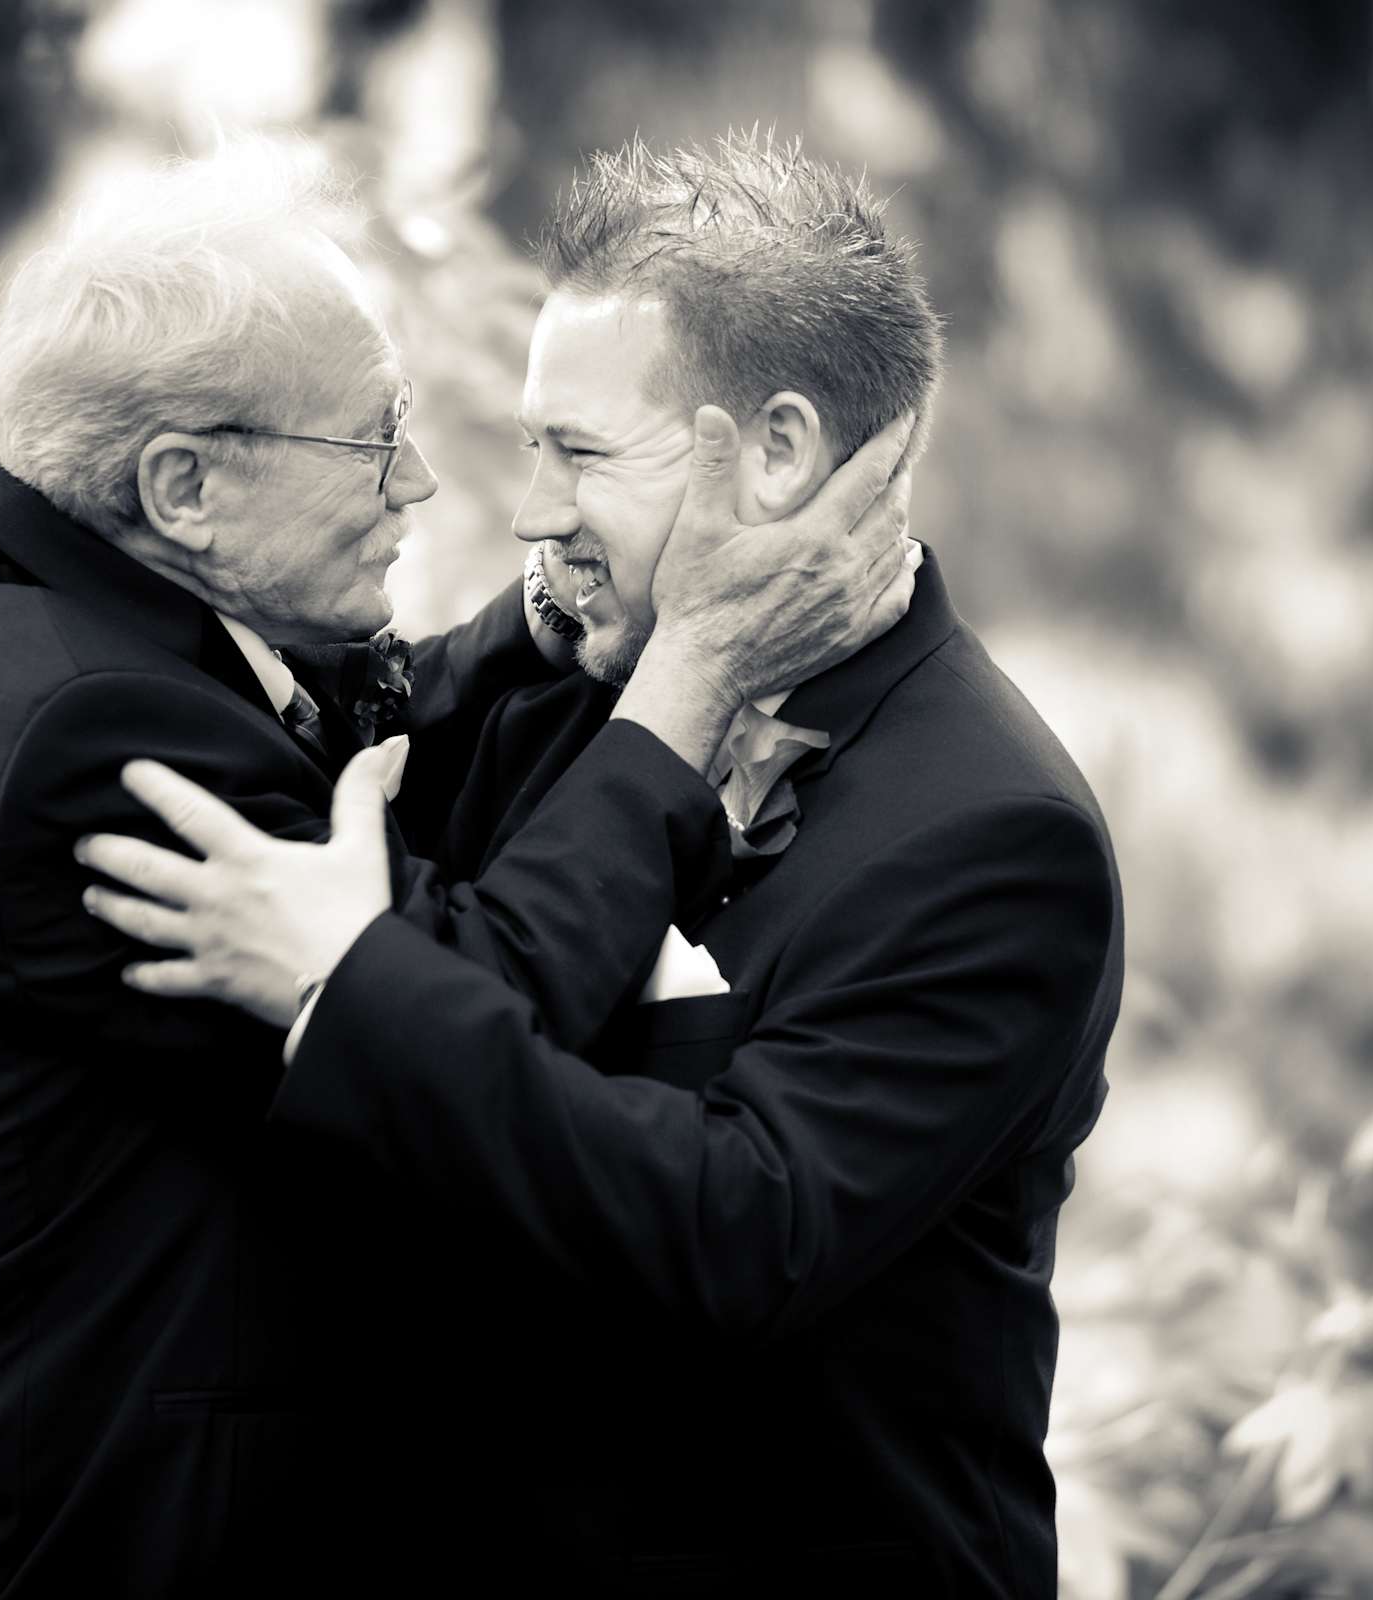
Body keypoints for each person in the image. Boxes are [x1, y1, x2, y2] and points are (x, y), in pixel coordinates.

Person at [0, 141, 915, 1594]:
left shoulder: (59, 626)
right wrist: (692, 676)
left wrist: (551, 612)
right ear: (185, 485)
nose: (420, 483)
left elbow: (344, 716)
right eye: (371, 443)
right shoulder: (93, 747)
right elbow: (459, 1001)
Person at [80, 133, 1125, 1596]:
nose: (528, 509)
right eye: (533, 446)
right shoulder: (583, 697)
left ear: (774, 454)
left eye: (578, 454)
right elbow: (355, 736)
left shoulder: (998, 838)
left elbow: (734, 1231)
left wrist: (345, 987)